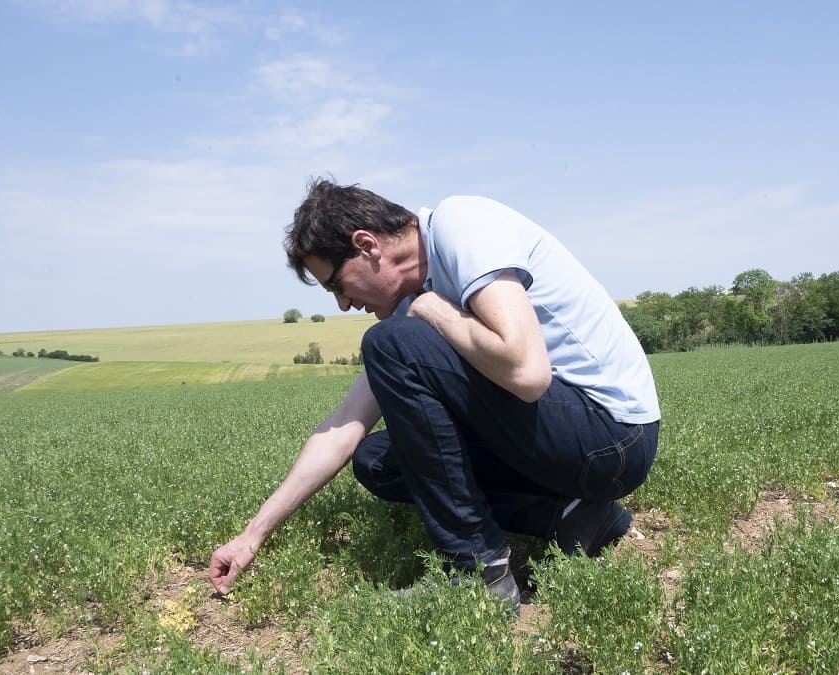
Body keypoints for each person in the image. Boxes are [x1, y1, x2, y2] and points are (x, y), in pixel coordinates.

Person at [208, 179, 660, 613]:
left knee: (388, 342)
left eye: (336, 285)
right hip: (569, 440)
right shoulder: (411, 306)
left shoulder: (461, 226)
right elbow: (342, 428)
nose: (342, 304)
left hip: (614, 438)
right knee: (378, 460)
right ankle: (573, 516)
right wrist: (252, 535)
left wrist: (436, 311)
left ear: (367, 246)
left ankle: (478, 573)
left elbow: (528, 372)